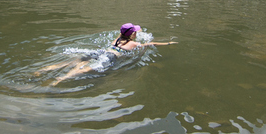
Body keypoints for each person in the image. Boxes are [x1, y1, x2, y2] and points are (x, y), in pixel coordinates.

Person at [44, 23, 177, 85]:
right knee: (86, 68)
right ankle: (59, 80)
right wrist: (168, 43)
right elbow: (150, 44)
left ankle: (45, 69)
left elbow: (126, 33)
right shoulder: (134, 44)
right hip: (110, 57)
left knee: (77, 61)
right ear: (132, 34)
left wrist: (136, 30)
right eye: (135, 32)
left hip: (102, 51)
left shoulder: (117, 39)